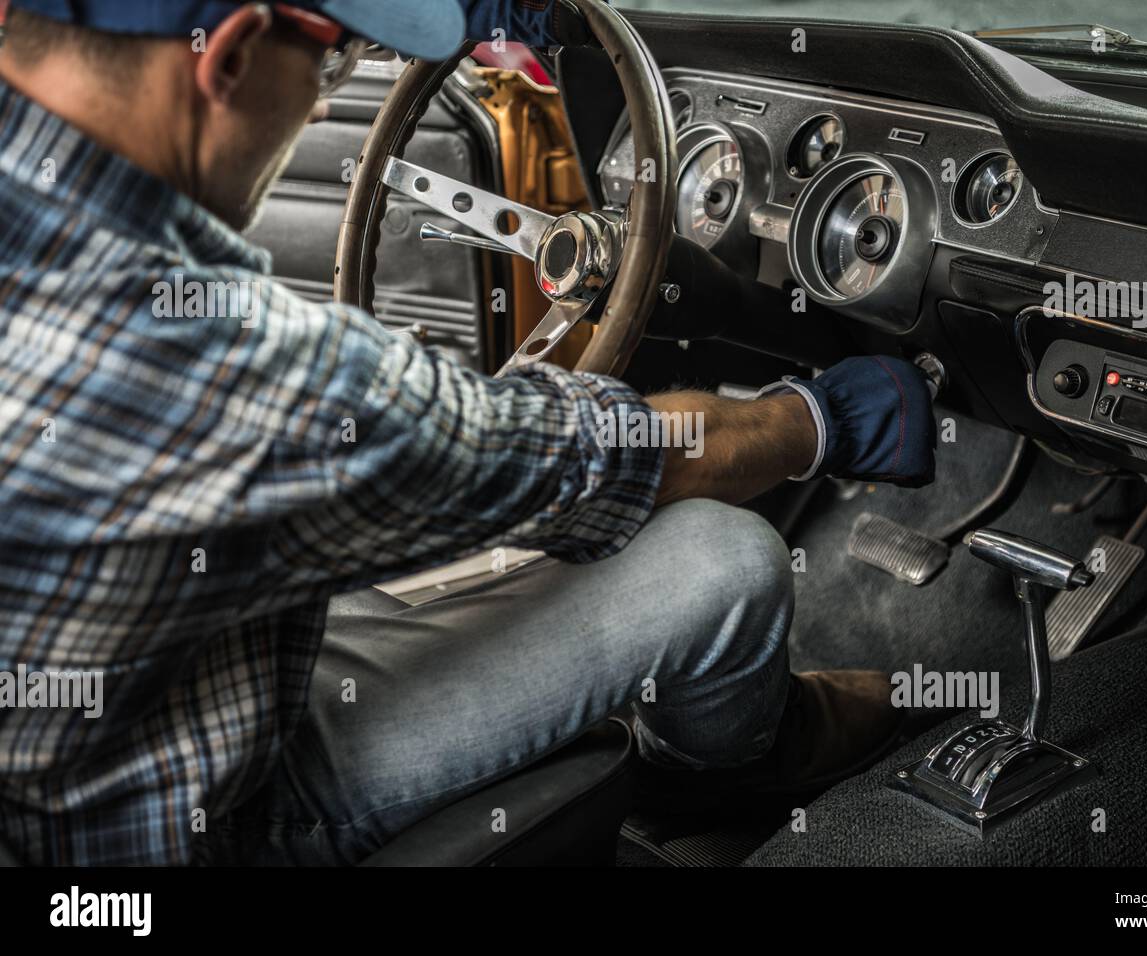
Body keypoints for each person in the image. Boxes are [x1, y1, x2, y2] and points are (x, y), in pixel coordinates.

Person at [0, 0, 935, 865]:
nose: (325, 94)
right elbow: (614, 459)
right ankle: (722, 782)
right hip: (190, 821)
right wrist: (820, 418)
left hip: (108, 723)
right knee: (722, 561)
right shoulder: (217, 368)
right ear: (231, 55)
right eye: (335, 66)